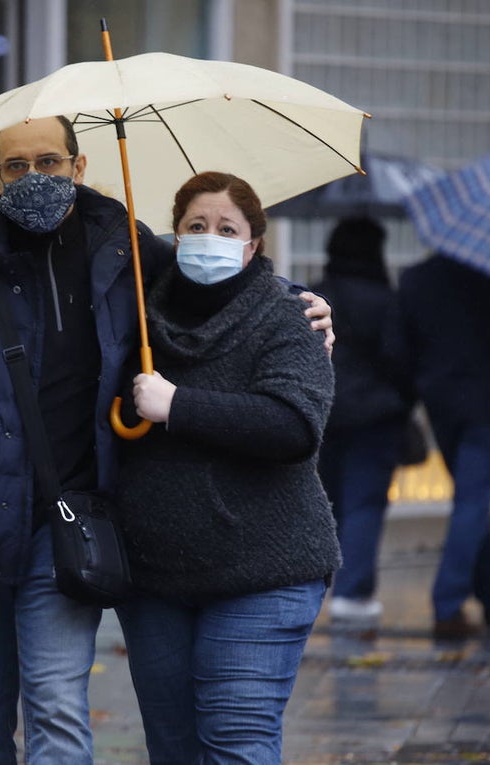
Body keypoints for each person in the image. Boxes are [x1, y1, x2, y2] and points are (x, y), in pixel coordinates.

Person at [0, 117, 333, 764]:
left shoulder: (121, 249)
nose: (32, 178)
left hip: (66, 523)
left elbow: (214, 290)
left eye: (48, 162)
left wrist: (301, 302)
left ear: (79, 168)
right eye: (15, 166)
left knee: (57, 713)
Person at [113, 171, 341, 764]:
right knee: (174, 749)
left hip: (267, 570)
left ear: (253, 245)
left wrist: (178, 406)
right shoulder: (135, 314)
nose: (209, 237)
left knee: (237, 740)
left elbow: (292, 425)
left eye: (226, 228)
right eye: (196, 226)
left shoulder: (290, 316)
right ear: (176, 234)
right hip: (156, 576)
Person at [397, 253, 490, 640]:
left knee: (472, 499)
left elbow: (401, 347)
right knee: (473, 500)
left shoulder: (418, 278)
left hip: (442, 404)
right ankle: (447, 603)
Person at [314, 217, 415, 628]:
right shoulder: (385, 299)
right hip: (375, 417)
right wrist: (403, 401)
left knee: (331, 501)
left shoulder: (318, 294)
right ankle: (353, 593)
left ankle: (325, 584)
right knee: (365, 503)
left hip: (325, 415)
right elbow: (401, 362)